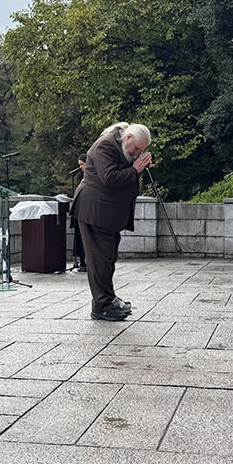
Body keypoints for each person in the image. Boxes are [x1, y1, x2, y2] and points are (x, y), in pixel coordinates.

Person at [72, 122, 152, 321]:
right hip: (94, 210)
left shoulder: (120, 147)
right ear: (127, 138)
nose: (136, 153)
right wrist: (135, 169)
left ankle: (108, 299)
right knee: (99, 260)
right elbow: (109, 177)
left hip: (106, 213)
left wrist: (137, 166)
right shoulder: (105, 146)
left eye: (140, 151)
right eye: (136, 148)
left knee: (107, 258)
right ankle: (102, 306)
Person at [70, 154, 88, 272]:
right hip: (78, 212)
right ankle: (81, 261)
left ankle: (87, 262)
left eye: (82, 164)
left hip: (86, 211)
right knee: (79, 238)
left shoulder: (93, 175)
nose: (81, 167)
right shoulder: (80, 176)